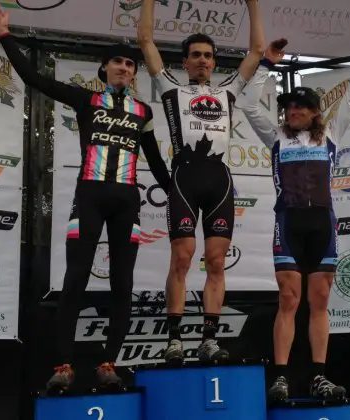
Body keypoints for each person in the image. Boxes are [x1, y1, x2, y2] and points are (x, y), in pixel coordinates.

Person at [0, 3, 171, 392]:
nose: (124, 67)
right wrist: (5, 35)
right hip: (89, 195)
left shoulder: (143, 110)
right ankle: (64, 365)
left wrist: (180, 196)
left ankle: (109, 363)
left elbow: (155, 162)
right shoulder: (86, 100)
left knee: (123, 283)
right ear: (104, 69)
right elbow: (34, 78)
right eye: (117, 62)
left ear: (135, 73)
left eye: (130, 64)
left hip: (127, 201)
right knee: (75, 281)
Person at [236, 24, 350, 401]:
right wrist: (265, 64)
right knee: (288, 299)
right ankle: (280, 377)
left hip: (322, 225)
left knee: (320, 300)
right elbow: (247, 104)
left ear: (315, 113)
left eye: (300, 107)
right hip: (289, 222)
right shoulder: (275, 136)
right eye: (289, 107)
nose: (292, 111)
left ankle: (319, 376)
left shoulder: (330, 134)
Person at [136, 0, 265, 363]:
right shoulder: (170, 88)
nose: (203, 60)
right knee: (182, 256)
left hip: (220, 181)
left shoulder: (228, 91)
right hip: (184, 180)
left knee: (217, 262)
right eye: (196, 55)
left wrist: (252, 4)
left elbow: (256, 50)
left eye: (208, 55)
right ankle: (174, 338)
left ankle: (209, 339)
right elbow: (145, 39)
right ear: (185, 61)